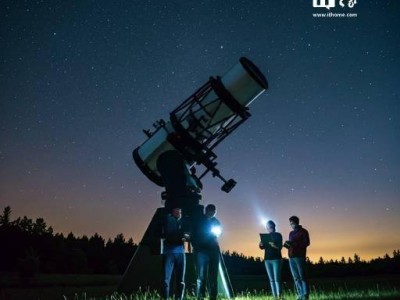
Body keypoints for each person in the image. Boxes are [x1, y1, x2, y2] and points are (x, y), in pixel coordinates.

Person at [191, 204, 221, 300]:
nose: (212, 213)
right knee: (202, 275)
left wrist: (217, 233)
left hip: (213, 251)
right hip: (201, 251)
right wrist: (197, 246)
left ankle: (213, 296)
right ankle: (200, 296)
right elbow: (193, 234)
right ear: (206, 210)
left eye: (214, 211)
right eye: (211, 211)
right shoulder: (199, 220)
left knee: (213, 275)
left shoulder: (216, 221)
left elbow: (219, 233)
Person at [162, 207, 190, 300]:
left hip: (180, 252)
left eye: (180, 212)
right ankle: (165, 297)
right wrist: (181, 236)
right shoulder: (169, 220)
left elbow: (187, 236)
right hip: (169, 252)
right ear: (172, 212)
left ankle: (179, 298)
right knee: (166, 279)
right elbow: (170, 234)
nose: (178, 213)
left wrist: (184, 236)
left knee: (181, 280)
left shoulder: (183, 222)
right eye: (176, 212)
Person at [284, 216, 310, 300]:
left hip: (300, 256)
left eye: (292, 223)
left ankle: (305, 295)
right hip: (291, 257)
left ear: (297, 222)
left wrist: (295, 244)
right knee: (295, 277)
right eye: (290, 224)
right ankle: (299, 295)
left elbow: (306, 242)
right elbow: (291, 245)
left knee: (302, 276)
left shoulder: (303, 231)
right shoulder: (291, 233)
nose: (291, 225)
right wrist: (287, 245)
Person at [259, 220, 283, 299]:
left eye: (268, 225)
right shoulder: (266, 236)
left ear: (272, 226)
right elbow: (262, 247)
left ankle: (279, 295)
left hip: (276, 259)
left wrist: (273, 245)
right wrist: (261, 244)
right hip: (267, 259)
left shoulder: (278, 235)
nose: (267, 227)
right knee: (271, 279)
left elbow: (280, 247)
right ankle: (274, 296)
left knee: (277, 278)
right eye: (267, 226)